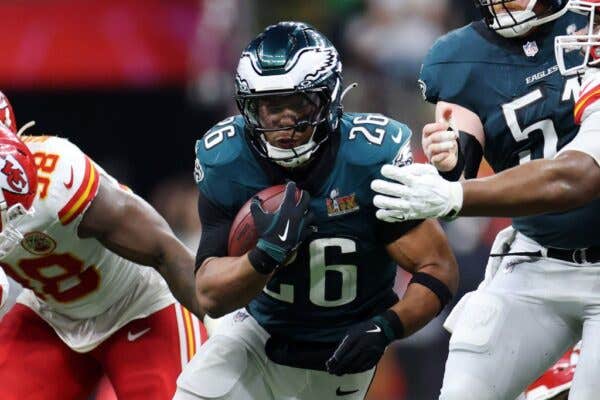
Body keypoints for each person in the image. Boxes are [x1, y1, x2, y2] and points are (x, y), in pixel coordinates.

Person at [174, 21, 459, 400]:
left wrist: (387, 327)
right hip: (259, 334)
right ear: (248, 107)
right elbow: (209, 291)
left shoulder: (369, 159)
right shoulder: (228, 159)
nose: (284, 121)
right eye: (270, 106)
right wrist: (265, 255)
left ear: (329, 99)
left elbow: (437, 269)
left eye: (298, 103)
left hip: (341, 350)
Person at [369, 1, 600, 399]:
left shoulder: (590, 25)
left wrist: (453, 194)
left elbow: (579, 176)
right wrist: (449, 159)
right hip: (534, 258)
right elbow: (461, 161)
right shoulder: (456, 58)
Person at [0, 94, 207, 400]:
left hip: (139, 305)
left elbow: (163, 250)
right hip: (51, 312)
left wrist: (224, 326)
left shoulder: (57, 182)